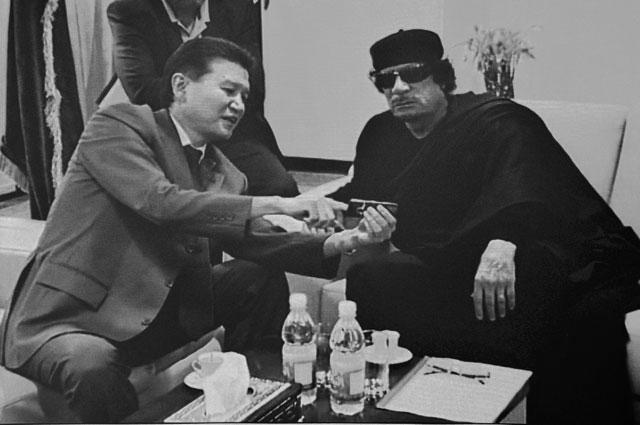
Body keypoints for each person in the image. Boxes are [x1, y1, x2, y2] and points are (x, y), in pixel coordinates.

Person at [0, 37, 396, 423]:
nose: (239, 104)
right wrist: (280, 202)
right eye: (228, 90)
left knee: (256, 277)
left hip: (161, 313)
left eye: (245, 96)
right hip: (71, 319)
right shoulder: (119, 125)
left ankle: (265, 401)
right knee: (92, 365)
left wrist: (341, 241)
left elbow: (253, 239)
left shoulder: (227, 173)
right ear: (181, 86)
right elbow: (161, 201)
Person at [329, 29, 640, 424]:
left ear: (441, 76)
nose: (400, 88)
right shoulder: (380, 133)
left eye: (413, 74)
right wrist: (336, 213)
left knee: (550, 283)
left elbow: (535, 187)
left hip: (518, 244)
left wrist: (504, 240)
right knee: (374, 276)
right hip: (441, 258)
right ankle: (401, 406)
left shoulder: (497, 119)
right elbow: (362, 196)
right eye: (387, 79)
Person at [105, 0, 299, 197]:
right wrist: (211, 93)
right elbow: (143, 92)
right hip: (170, 133)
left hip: (231, 134)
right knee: (168, 199)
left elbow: (252, 85)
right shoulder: (130, 11)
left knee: (279, 188)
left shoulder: (237, 6)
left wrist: (205, 95)